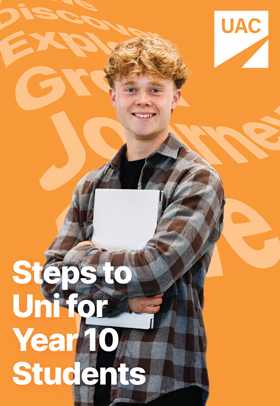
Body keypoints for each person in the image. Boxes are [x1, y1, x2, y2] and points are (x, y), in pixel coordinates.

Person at [41, 37, 225, 406]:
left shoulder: (196, 180)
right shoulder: (90, 184)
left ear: (175, 98)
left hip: (164, 385)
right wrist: (123, 303)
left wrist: (80, 258)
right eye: (131, 88)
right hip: (96, 383)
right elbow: (51, 281)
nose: (143, 99)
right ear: (113, 97)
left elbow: (153, 270)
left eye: (155, 89)